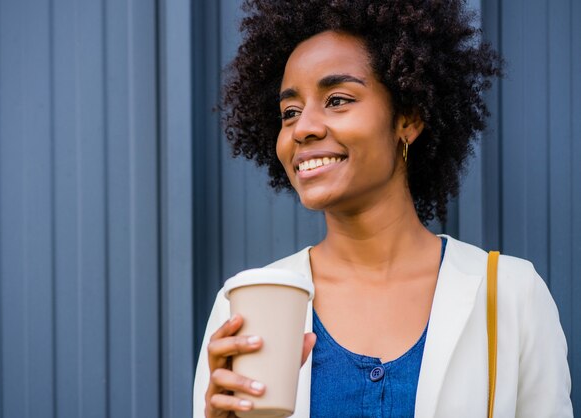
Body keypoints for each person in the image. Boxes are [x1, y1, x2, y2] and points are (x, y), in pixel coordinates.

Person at [193, 1, 573, 417]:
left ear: (407, 117)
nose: (303, 128)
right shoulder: (245, 307)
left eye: (337, 99)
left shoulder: (511, 296)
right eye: (290, 112)